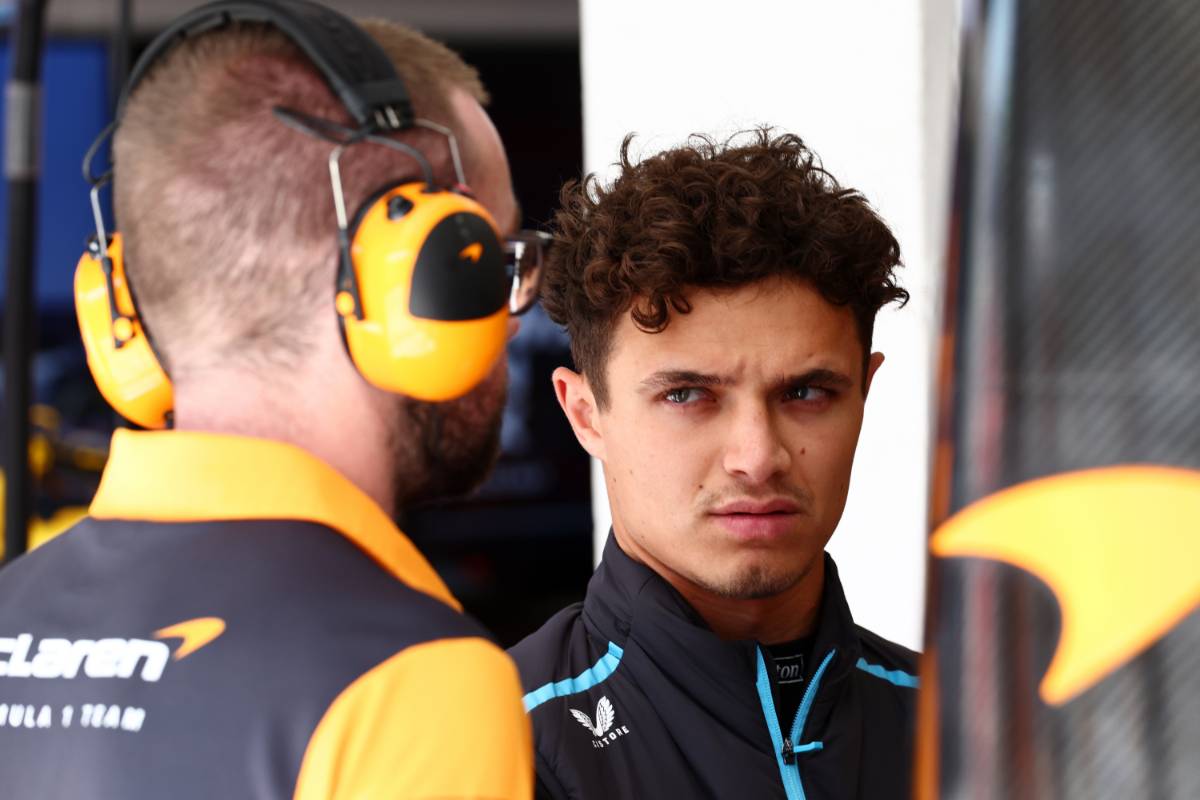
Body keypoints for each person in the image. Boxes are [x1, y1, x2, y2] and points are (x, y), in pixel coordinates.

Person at [0, 3, 537, 797]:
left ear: (119, 308)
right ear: (418, 274)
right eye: (496, 261)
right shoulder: (413, 683)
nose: (512, 315)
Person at [510, 129, 918, 799]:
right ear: (585, 414)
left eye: (806, 393)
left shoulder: (973, 727)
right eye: (686, 395)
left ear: (864, 394)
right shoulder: (493, 745)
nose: (757, 458)